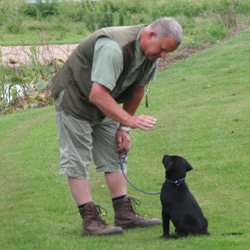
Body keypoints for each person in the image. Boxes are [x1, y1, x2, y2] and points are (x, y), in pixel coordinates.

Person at [51, 17, 183, 236]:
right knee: (78, 159)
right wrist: (130, 119)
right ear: (151, 35)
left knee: (116, 151)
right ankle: (90, 221)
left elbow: (138, 89)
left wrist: (124, 127)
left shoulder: (151, 54)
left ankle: (124, 214)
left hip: (104, 99)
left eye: (167, 53)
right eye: (162, 49)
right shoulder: (113, 47)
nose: (162, 56)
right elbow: (97, 94)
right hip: (75, 97)